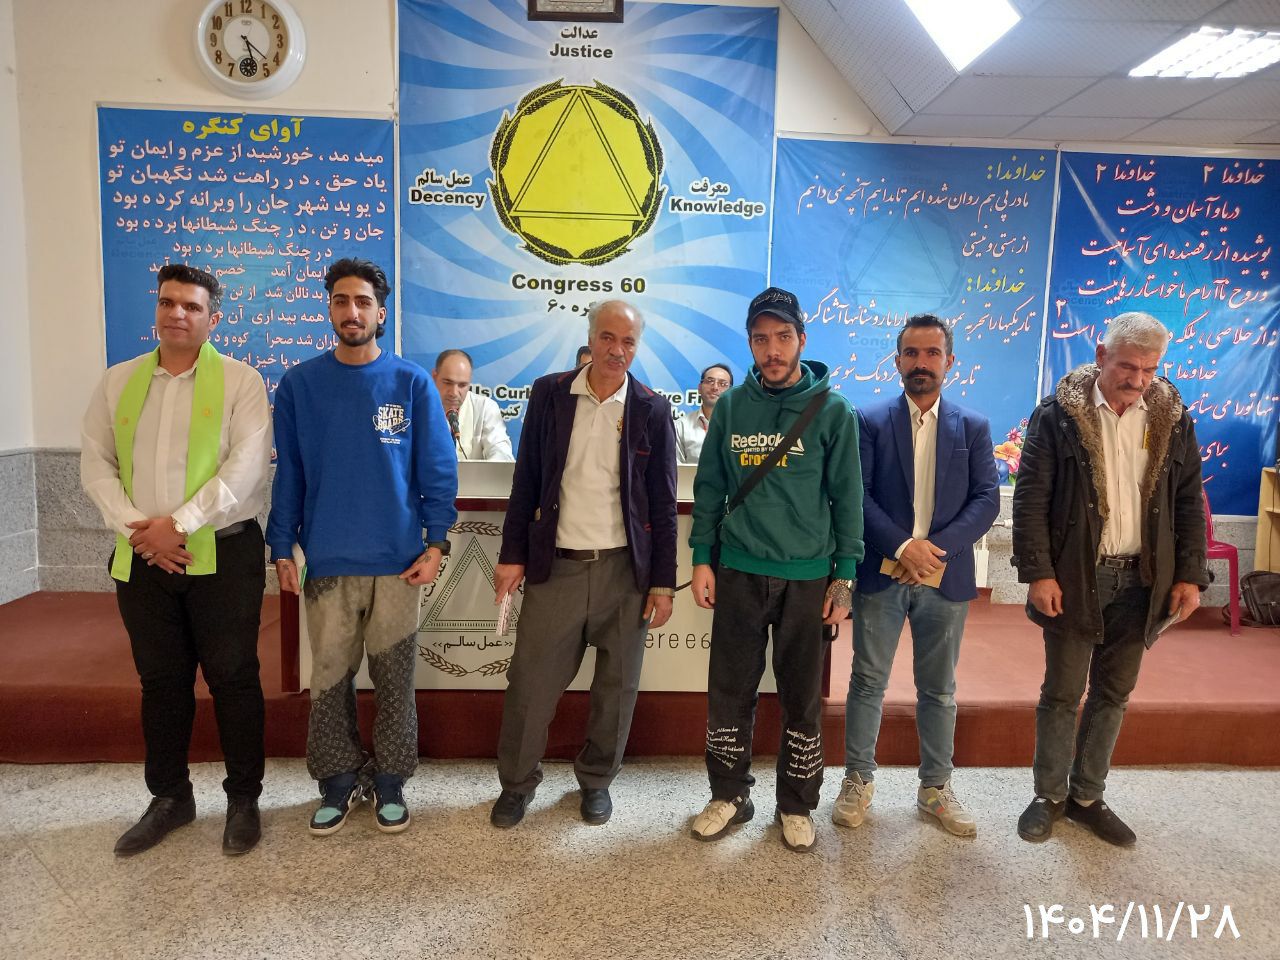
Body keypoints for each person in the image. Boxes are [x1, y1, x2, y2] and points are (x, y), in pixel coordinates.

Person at [81, 264, 272, 856]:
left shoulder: (242, 382)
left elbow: (245, 468)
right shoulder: (118, 382)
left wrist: (179, 526)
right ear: (157, 309)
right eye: (168, 303)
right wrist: (143, 533)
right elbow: (96, 464)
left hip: (225, 552)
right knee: (161, 681)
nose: (177, 314)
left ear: (213, 319)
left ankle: (243, 799)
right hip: (143, 557)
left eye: (191, 306)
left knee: (233, 678)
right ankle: (170, 797)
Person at [267, 258, 457, 837]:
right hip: (327, 560)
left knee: (395, 680)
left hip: (399, 564)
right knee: (329, 680)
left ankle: (391, 781)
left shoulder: (411, 384)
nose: (352, 312)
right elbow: (290, 473)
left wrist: (437, 542)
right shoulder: (300, 386)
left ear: (381, 312)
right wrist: (281, 545)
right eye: (341, 301)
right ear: (330, 308)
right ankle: (337, 780)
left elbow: (437, 470)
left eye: (363, 302)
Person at [1012, 311, 1207, 847]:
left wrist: (1190, 575)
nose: (1138, 380)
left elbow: (1188, 501)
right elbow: (1031, 499)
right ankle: (1049, 796)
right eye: (1128, 366)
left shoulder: (1173, 419)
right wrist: (1038, 573)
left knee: (1114, 693)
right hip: (1077, 576)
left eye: (1149, 370)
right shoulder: (1057, 416)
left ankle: (1086, 798)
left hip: (1144, 580)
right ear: (1101, 356)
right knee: (1062, 692)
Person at [688, 286, 863, 853]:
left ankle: (796, 803)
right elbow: (710, 489)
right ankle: (729, 795)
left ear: (801, 340)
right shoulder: (731, 407)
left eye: (783, 337)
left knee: (801, 696)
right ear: (750, 345)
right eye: (761, 339)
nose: (772, 350)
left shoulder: (833, 411)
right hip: (738, 569)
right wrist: (702, 559)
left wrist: (844, 576)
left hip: (807, 577)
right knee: (729, 691)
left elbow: (847, 499)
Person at [489, 299, 678, 829]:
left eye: (628, 342)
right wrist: (512, 556)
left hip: (625, 574)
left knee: (616, 691)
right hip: (557, 569)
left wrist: (662, 583)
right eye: (608, 338)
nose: (617, 351)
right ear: (590, 338)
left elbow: (663, 505)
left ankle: (596, 781)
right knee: (530, 686)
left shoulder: (651, 409)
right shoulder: (550, 394)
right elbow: (526, 481)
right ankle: (516, 784)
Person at [835, 314, 999, 838]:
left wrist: (933, 551)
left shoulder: (972, 427)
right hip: (883, 571)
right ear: (897, 360)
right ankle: (858, 779)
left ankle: (936, 788)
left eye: (932, 353)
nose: (921, 363)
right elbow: (856, 495)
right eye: (911, 353)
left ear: (950, 362)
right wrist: (904, 546)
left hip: (943, 578)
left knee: (939, 689)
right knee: (867, 682)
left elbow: (987, 499)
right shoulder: (868, 420)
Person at [432, 348, 514, 462]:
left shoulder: (485, 407)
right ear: (434, 377)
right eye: (447, 383)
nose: (454, 393)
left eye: (462, 385)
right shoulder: (417, 408)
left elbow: (502, 454)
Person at [674, 363, 733, 464]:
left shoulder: (743, 426)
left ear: (731, 392)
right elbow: (676, 469)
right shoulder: (681, 426)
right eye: (710, 381)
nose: (715, 387)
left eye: (722, 384)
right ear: (699, 388)